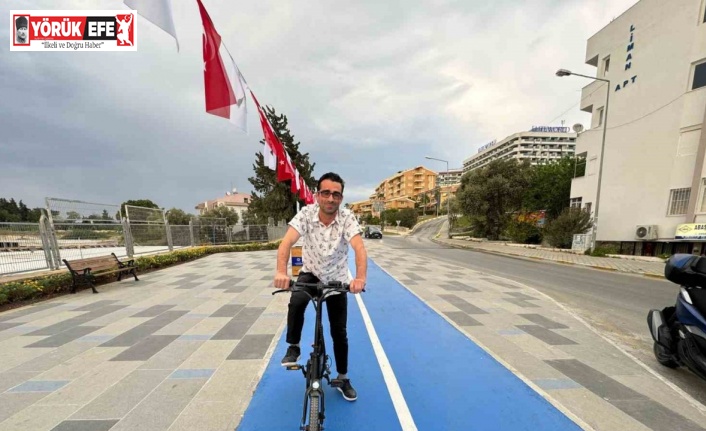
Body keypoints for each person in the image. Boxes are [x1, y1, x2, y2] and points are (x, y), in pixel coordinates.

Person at [274, 172, 367, 402]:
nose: (330, 198)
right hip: (311, 273)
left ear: (341, 198)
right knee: (296, 301)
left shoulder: (347, 218)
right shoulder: (306, 214)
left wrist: (360, 278)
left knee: (339, 332)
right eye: (325, 193)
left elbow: (359, 249)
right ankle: (293, 345)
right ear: (317, 195)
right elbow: (286, 243)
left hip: (336, 278)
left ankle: (343, 377)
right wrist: (280, 272)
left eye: (336, 194)